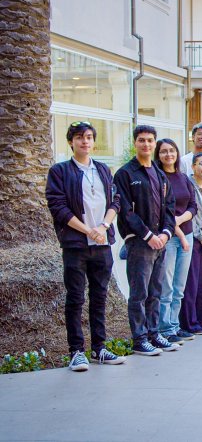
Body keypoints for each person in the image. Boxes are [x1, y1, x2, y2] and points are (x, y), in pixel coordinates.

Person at [47, 121, 126, 371]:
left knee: (100, 297)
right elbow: (58, 207)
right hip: (76, 244)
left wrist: (103, 227)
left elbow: (116, 200)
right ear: (71, 142)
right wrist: (87, 230)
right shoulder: (60, 171)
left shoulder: (103, 170)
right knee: (76, 298)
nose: (85, 141)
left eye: (89, 137)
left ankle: (100, 348)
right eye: (80, 137)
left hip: (102, 243)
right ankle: (76, 351)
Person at [113, 125, 178, 355]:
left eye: (150, 140)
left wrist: (165, 234)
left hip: (161, 243)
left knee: (156, 292)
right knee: (139, 293)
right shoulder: (125, 174)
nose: (146, 144)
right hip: (140, 243)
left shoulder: (160, 174)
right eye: (142, 140)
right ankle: (139, 338)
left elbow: (170, 208)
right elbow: (125, 212)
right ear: (135, 143)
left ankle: (153, 333)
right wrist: (148, 235)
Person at [155, 139, 197, 344]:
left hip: (186, 234)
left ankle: (175, 325)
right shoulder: (158, 178)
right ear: (158, 155)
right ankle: (165, 328)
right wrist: (177, 229)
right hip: (169, 237)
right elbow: (163, 210)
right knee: (167, 286)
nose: (168, 155)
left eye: (171, 151)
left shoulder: (183, 178)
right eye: (163, 151)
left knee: (179, 286)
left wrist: (181, 220)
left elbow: (193, 205)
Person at [180, 153, 202, 336]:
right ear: (193, 166)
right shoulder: (189, 185)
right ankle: (189, 322)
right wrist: (201, 237)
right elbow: (190, 214)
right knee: (191, 283)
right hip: (193, 238)